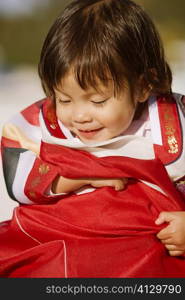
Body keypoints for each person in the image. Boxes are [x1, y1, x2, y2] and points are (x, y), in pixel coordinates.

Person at [1, 0, 185, 277]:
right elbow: (17, 167)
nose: (79, 116)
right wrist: (76, 177)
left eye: (98, 101)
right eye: (63, 99)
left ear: (143, 84)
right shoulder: (40, 122)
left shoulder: (173, 121)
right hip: (60, 241)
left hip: (144, 254)